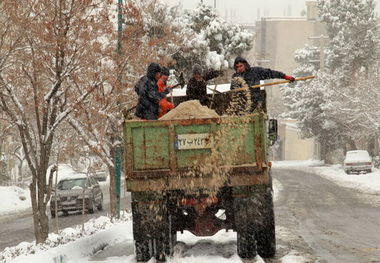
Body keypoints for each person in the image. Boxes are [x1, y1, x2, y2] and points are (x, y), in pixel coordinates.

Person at [231, 56, 295, 112]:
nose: (239, 68)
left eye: (241, 66)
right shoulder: (235, 77)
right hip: (242, 104)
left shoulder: (255, 71)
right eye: (237, 67)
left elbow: (270, 73)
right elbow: (233, 90)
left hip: (255, 102)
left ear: (245, 64)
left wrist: (285, 77)